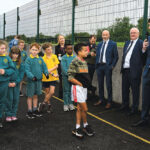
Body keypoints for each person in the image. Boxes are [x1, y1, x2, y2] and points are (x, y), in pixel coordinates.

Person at [68, 43, 95, 138]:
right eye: (85, 50)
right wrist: (79, 84)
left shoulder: (84, 61)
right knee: (85, 108)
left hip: (84, 88)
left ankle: (79, 127)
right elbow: (70, 77)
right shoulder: (75, 61)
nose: (87, 52)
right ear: (79, 52)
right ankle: (84, 126)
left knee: (79, 108)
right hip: (77, 88)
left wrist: (85, 85)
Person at [120, 28, 144, 116]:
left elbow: (143, 56)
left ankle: (134, 109)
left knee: (135, 91)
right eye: (131, 33)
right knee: (125, 89)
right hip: (125, 70)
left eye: (134, 33)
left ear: (138, 34)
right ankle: (125, 105)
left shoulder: (141, 43)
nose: (132, 34)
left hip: (134, 71)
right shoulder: (127, 43)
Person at [132, 19, 150, 126]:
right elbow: (144, 57)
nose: (149, 27)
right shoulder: (147, 39)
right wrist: (143, 49)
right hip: (147, 72)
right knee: (145, 97)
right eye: (149, 25)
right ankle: (144, 118)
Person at [94, 30, 118, 109]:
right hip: (99, 66)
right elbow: (97, 55)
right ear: (102, 36)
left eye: (106, 35)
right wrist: (96, 64)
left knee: (108, 85)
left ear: (109, 35)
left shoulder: (113, 44)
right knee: (100, 84)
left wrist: (112, 66)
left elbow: (116, 57)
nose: (104, 36)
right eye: (103, 35)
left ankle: (109, 101)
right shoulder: (99, 44)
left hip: (107, 67)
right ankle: (101, 99)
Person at [25, 43, 49, 119]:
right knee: (30, 96)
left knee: (36, 96)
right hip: (31, 81)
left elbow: (44, 67)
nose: (34, 51)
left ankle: (35, 109)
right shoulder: (28, 59)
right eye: (33, 49)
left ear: (38, 51)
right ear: (30, 50)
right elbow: (27, 70)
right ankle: (29, 111)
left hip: (38, 81)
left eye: (36, 50)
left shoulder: (40, 59)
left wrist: (46, 73)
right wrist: (32, 77)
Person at [38, 43, 59, 114]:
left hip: (53, 78)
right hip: (46, 77)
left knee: (52, 92)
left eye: (51, 49)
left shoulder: (54, 56)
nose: (50, 50)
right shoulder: (43, 58)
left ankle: (43, 103)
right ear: (44, 50)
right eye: (48, 49)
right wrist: (49, 71)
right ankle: (49, 105)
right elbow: (44, 69)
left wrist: (49, 70)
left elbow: (56, 66)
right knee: (47, 92)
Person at [6, 46, 24, 122]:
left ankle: (13, 114)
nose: (15, 55)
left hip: (16, 84)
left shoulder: (20, 63)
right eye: (13, 53)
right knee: (9, 99)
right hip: (8, 84)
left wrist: (16, 82)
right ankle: (8, 114)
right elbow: (5, 73)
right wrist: (8, 82)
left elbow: (21, 74)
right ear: (11, 53)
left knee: (15, 99)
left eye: (17, 54)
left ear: (19, 55)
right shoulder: (7, 62)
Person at [0, 40, 15, 128]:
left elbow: (12, 69)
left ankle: (0, 119)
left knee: (2, 101)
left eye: (5, 48)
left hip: (4, 83)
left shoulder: (7, 58)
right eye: (2, 48)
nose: (4, 50)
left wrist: (4, 71)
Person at [61, 44, 76, 111]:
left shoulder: (75, 57)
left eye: (71, 49)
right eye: (68, 49)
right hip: (66, 77)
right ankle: (65, 104)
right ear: (65, 50)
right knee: (66, 91)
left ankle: (70, 103)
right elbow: (64, 68)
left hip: (73, 77)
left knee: (71, 91)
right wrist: (69, 75)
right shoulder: (64, 58)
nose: (70, 50)